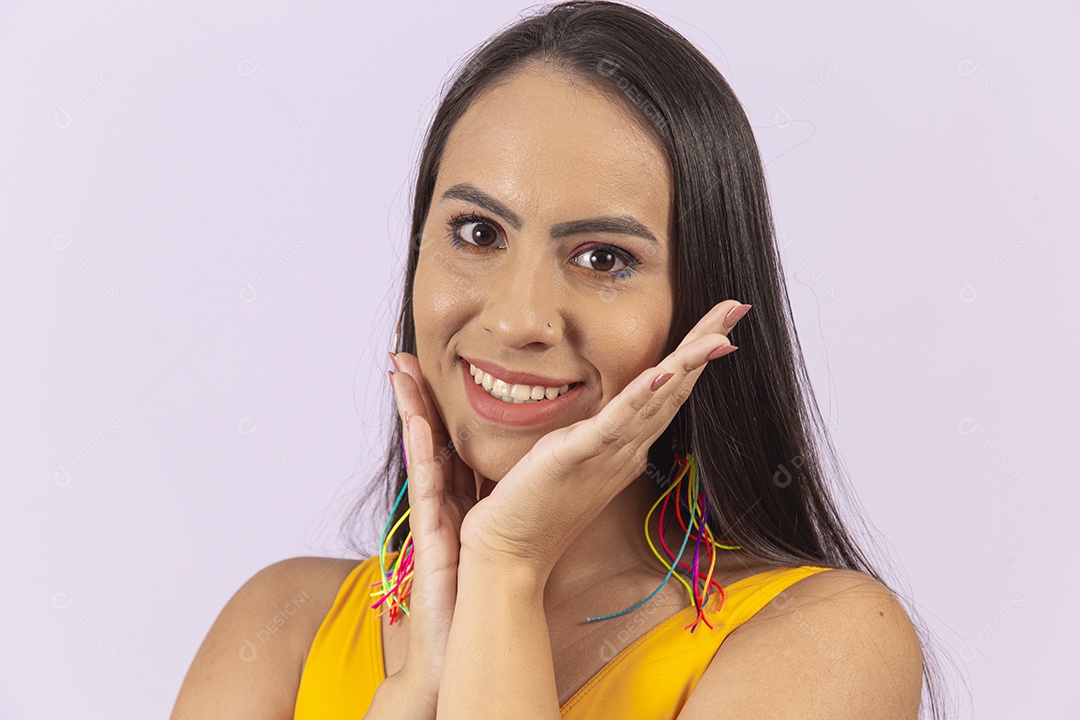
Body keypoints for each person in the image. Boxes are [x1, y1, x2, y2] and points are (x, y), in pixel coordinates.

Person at [172, 2, 948, 718]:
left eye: (604, 258)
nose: (517, 319)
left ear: (701, 300)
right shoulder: (284, 629)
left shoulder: (826, 640)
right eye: (478, 233)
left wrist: (506, 570)